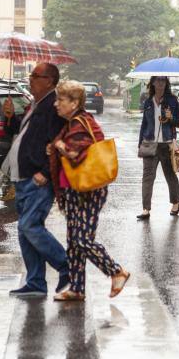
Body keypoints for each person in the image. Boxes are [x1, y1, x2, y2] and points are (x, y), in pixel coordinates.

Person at [48, 80, 130, 302]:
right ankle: (77, 288)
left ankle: (116, 272)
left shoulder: (80, 123)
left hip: (88, 191)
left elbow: (74, 153)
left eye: (61, 100)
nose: (56, 104)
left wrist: (59, 147)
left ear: (74, 102)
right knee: (73, 242)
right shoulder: (73, 123)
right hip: (74, 189)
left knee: (82, 240)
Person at [2, 62, 69, 298]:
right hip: (22, 177)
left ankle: (65, 265)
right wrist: (10, 118)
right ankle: (36, 282)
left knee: (29, 226)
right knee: (24, 231)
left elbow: (59, 141)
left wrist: (45, 171)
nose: (30, 79)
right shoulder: (36, 104)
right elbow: (21, 133)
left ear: (49, 80)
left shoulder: (54, 106)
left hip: (38, 179)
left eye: (35, 75)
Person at [137, 76, 179, 219]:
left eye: (163, 80)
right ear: (153, 83)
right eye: (158, 80)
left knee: (170, 175)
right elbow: (144, 124)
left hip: (167, 144)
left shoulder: (172, 101)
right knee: (147, 177)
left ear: (166, 83)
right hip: (150, 143)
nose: (160, 83)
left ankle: (175, 203)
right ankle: (146, 209)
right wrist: (140, 144)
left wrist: (171, 118)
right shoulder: (148, 101)